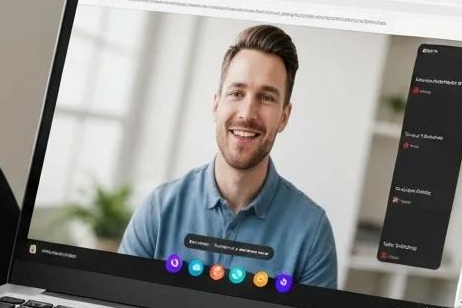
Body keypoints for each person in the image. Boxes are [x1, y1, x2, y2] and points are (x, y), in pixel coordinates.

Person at [119, 24, 338, 288]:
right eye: (236, 93)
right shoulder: (158, 210)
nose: (247, 113)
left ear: (284, 116)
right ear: (216, 103)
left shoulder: (312, 232)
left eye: (266, 97)